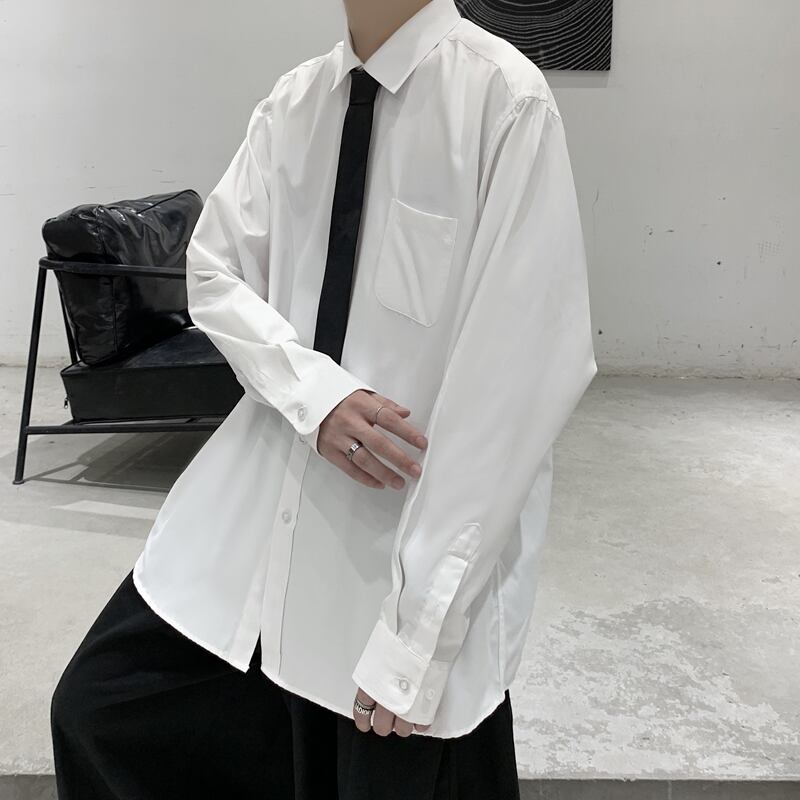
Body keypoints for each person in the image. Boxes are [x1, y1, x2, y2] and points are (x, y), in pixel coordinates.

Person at [50, 0, 598, 797]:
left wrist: (419, 636)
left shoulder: (503, 103)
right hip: (249, 526)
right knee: (97, 710)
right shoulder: (296, 102)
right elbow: (214, 270)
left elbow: (516, 385)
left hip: (385, 565)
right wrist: (315, 394)